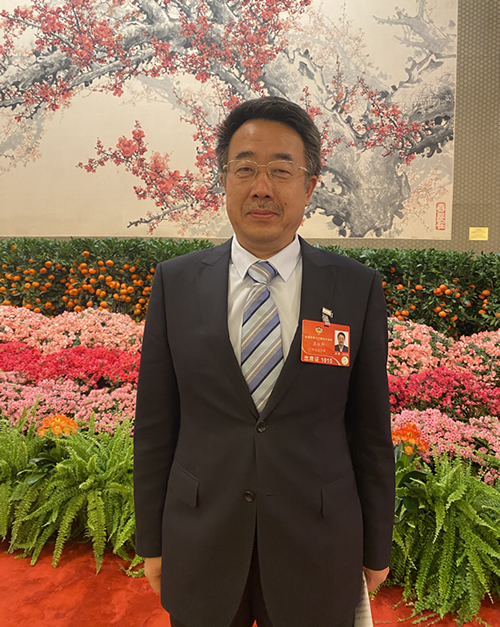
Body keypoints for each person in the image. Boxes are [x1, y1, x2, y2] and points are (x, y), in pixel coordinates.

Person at [133, 97, 395, 627]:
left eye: (281, 170)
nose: (261, 188)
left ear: (309, 186)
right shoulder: (175, 283)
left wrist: (376, 546)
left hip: (317, 542)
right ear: (223, 181)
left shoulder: (355, 288)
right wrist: (151, 540)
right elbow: (156, 425)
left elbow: (370, 430)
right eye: (245, 169)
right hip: (202, 536)